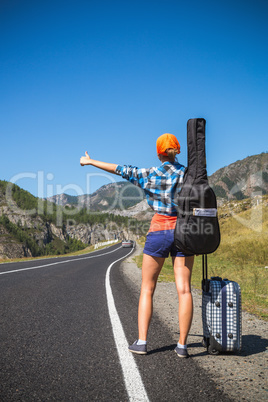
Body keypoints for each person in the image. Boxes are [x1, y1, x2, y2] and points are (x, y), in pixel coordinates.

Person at [80, 133, 194, 358]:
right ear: (177, 151)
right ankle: (182, 346)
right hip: (184, 232)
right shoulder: (189, 174)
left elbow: (119, 169)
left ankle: (142, 342)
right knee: (184, 289)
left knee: (147, 288)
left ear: (159, 152)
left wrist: (91, 161)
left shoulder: (149, 174)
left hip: (159, 231)